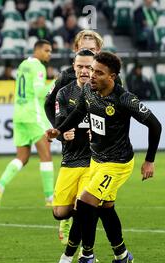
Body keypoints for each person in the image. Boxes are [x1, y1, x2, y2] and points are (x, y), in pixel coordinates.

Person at [46, 52, 162, 263]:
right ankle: (121, 254)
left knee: (85, 202)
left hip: (117, 163)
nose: (92, 76)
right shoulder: (90, 90)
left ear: (112, 77)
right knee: (106, 209)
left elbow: (155, 125)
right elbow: (79, 112)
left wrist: (149, 160)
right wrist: (59, 130)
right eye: (92, 70)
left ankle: (86, 255)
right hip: (97, 160)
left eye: (98, 72)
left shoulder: (124, 99)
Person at [44, 30, 122, 243]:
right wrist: (60, 131)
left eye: (94, 50)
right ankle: (82, 237)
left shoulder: (111, 78)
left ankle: (99, 250)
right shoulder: (67, 77)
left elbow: (119, 110)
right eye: (83, 50)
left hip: (102, 153)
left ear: (100, 52)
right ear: (75, 52)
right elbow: (48, 103)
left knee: (99, 204)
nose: (88, 56)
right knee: (79, 206)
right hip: (75, 151)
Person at [0, 40, 54, 209]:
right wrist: (55, 83)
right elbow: (41, 93)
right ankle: (50, 198)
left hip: (18, 115)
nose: (49, 54)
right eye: (47, 51)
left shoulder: (23, 65)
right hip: (33, 115)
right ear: (38, 50)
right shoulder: (38, 67)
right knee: (46, 156)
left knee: (22, 157)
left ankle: (0, 186)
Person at [52, 49, 94, 263]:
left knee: (82, 206)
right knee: (59, 212)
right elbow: (60, 120)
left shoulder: (101, 92)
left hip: (93, 160)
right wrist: (62, 132)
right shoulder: (64, 92)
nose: (85, 71)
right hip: (70, 159)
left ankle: (71, 255)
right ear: (74, 66)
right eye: (81, 66)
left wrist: (98, 133)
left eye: (89, 66)